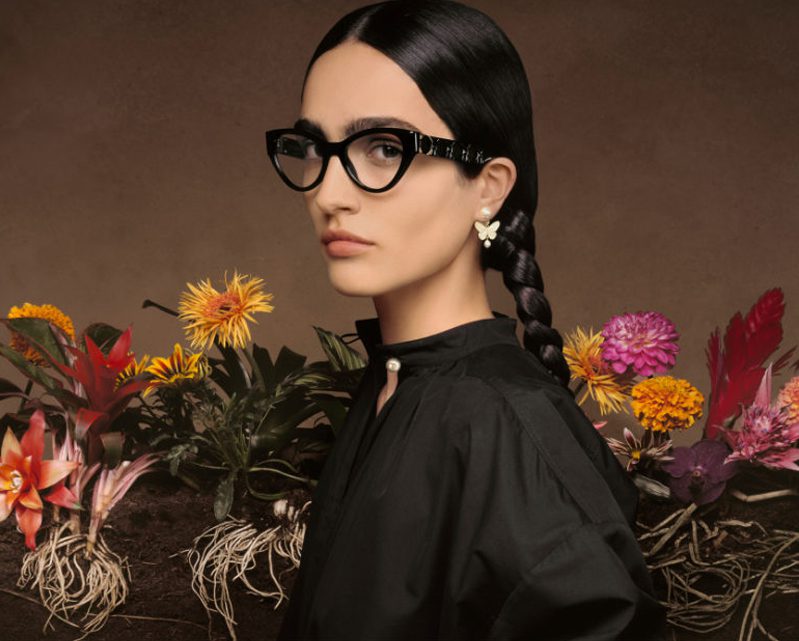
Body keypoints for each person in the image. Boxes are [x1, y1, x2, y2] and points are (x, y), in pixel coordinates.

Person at [266, 1, 667, 639]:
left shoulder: (498, 418)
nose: (328, 193)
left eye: (383, 148)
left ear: (489, 185)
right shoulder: (397, 382)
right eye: (315, 148)